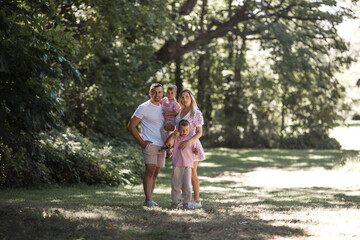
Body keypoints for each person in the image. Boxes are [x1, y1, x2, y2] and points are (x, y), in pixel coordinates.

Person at [127, 83, 166, 207]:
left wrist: (170, 145)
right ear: (150, 93)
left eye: (159, 92)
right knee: (150, 170)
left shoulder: (164, 107)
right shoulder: (143, 107)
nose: (157, 95)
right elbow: (131, 126)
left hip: (162, 145)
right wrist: (142, 142)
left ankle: (150, 199)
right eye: (154, 92)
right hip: (149, 143)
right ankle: (148, 200)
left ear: (162, 93)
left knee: (155, 172)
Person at [175, 89, 205, 209]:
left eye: (186, 96)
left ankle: (197, 201)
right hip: (180, 147)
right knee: (182, 175)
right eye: (182, 97)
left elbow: (199, 133)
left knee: (192, 174)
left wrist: (188, 142)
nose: (184, 99)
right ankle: (185, 201)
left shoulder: (196, 113)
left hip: (192, 146)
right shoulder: (179, 112)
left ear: (191, 98)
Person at [164, 119, 199, 208]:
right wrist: (172, 134)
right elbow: (167, 143)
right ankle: (174, 201)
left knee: (187, 185)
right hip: (177, 164)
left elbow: (196, 152)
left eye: (186, 130)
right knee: (176, 184)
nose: (184, 132)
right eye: (182, 130)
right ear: (179, 129)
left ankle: (186, 202)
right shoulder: (176, 138)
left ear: (189, 129)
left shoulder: (191, 139)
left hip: (188, 165)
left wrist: (196, 151)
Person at [159, 84, 181, 157]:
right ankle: (168, 150)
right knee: (166, 134)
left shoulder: (175, 103)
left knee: (163, 130)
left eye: (172, 93)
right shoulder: (164, 100)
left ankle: (167, 146)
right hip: (164, 120)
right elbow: (158, 101)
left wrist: (168, 113)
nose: (170, 94)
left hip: (171, 121)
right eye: (168, 93)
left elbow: (177, 112)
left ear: (175, 94)